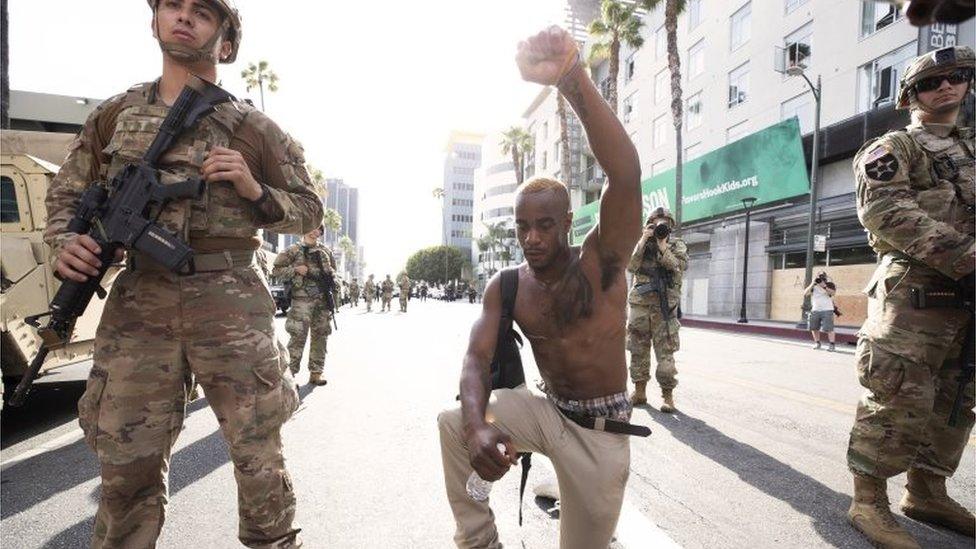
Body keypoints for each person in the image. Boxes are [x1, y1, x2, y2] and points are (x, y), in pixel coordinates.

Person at [45, 1, 322, 546]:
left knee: (257, 457)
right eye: (172, 5)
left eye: (201, 11)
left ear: (224, 39)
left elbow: (309, 209)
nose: (184, 17)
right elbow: (68, 193)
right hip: (140, 301)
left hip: (232, 300)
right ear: (154, 21)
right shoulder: (114, 115)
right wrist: (65, 241)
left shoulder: (254, 127)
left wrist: (255, 188)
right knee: (126, 468)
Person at [437, 26, 643, 549]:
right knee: (453, 422)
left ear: (568, 223)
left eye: (545, 225)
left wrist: (571, 78)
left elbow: (625, 175)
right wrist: (479, 427)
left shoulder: (601, 267)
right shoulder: (508, 286)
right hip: (549, 414)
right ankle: (479, 539)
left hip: (601, 435)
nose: (532, 238)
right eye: (522, 226)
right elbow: (473, 360)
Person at [846, 46, 975, 548]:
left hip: (966, 301)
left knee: (957, 398)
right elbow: (885, 213)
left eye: (956, 76)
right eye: (929, 82)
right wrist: (967, 255)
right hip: (914, 297)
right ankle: (867, 500)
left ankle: (927, 491)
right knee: (896, 395)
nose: (944, 87)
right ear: (909, 96)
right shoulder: (894, 148)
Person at [625, 208, 688, 412]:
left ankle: (667, 396)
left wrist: (662, 246)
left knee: (666, 352)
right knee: (637, 349)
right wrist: (643, 240)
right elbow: (630, 266)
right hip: (640, 305)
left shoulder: (676, 245)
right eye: (655, 223)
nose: (660, 227)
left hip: (664, 307)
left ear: (670, 226)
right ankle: (640, 391)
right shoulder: (641, 243)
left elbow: (677, 267)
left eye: (664, 224)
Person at [272, 226, 335, 386]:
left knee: (321, 335)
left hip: (322, 301)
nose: (314, 232)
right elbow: (276, 270)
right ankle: (289, 377)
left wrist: (334, 287)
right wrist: (295, 270)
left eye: (318, 229)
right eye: (311, 228)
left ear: (321, 232)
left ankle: (316, 373)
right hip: (301, 301)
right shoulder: (293, 250)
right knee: (298, 337)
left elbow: (333, 274)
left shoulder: (326, 251)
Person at [804, 272, 837, 351]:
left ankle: (832, 345)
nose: (820, 279)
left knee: (829, 328)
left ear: (825, 277)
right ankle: (817, 343)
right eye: (819, 277)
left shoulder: (830, 284)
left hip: (827, 309)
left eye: (822, 277)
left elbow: (833, 293)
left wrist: (824, 286)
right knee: (814, 328)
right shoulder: (814, 286)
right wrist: (812, 283)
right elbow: (805, 293)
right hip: (815, 309)